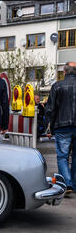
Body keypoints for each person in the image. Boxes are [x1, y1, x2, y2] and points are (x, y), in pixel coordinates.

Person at [45, 62, 76, 194]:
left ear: (64, 72)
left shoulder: (57, 86)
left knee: (62, 156)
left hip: (62, 126)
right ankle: (73, 183)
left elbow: (50, 109)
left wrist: (49, 128)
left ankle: (67, 183)